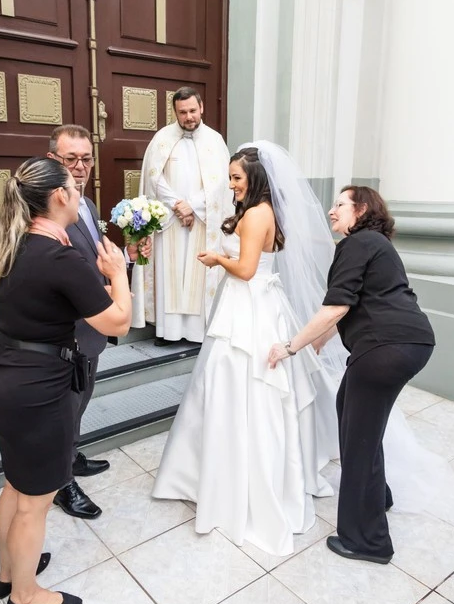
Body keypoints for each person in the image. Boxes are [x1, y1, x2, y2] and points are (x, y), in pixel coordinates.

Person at [152, 145, 340, 556]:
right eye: (231, 176)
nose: (232, 183)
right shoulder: (260, 210)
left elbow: (248, 269)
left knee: (242, 384)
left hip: (251, 307)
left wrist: (219, 260)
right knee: (232, 385)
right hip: (254, 305)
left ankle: (239, 484)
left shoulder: (257, 214)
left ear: (255, 178)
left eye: (237, 177)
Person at [0, 157, 131, 604]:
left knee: (15, 484)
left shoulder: (12, 243)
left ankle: (8, 573)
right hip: (36, 392)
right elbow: (116, 319)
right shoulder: (61, 259)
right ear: (60, 196)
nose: (78, 189)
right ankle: (25, 596)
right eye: (73, 184)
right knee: (35, 501)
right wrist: (118, 273)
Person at [268, 184, 435, 564]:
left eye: (340, 204)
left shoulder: (356, 244)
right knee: (353, 414)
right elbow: (355, 302)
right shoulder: (377, 244)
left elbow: (335, 306)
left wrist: (291, 346)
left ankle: (367, 541)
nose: (331, 210)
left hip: (384, 347)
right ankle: (380, 497)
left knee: (358, 435)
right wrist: (320, 342)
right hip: (411, 343)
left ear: (360, 210)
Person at [47, 124, 151, 519]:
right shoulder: (49, 209)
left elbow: (95, 260)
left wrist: (126, 254)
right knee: (65, 404)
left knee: (82, 396)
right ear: (52, 160)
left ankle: (70, 456)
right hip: (67, 327)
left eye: (86, 158)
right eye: (70, 158)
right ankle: (61, 484)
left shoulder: (86, 205)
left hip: (92, 324)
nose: (80, 166)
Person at [131, 87, 233, 345]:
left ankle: (198, 332)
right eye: (182, 112)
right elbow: (155, 177)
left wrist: (194, 206)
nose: (188, 117)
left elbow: (222, 181)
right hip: (169, 220)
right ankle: (168, 331)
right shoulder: (162, 138)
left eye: (192, 111)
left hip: (203, 220)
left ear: (201, 108)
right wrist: (178, 205)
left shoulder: (215, 140)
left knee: (199, 272)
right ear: (175, 112)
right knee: (171, 274)